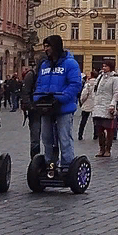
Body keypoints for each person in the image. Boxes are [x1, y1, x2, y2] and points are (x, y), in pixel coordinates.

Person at [32, 34, 82, 173]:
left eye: (48, 46)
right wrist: (38, 99)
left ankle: (67, 167)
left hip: (63, 107)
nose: (45, 49)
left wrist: (61, 98)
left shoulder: (70, 63)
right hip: (46, 107)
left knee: (64, 138)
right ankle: (50, 165)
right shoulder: (44, 64)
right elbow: (40, 84)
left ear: (55, 47)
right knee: (47, 138)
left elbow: (75, 84)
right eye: (44, 46)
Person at [92, 59, 118, 158]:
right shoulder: (100, 77)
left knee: (109, 129)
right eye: (103, 66)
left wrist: (112, 104)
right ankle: (101, 149)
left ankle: (108, 149)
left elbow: (116, 93)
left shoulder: (115, 78)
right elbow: (95, 90)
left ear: (111, 67)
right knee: (99, 129)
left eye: (106, 66)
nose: (104, 68)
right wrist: (94, 100)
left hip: (108, 106)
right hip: (98, 106)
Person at [20, 64, 41, 160]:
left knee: (51, 139)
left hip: (49, 111)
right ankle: (35, 161)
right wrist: (30, 106)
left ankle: (51, 162)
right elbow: (25, 92)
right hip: (35, 112)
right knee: (35, 139)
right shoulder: (32, 74)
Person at [77, 75, 96, 140]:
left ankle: (80, 134)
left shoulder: (88, 84)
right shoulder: (98, 83)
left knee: (83, 120)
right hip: (95, 104)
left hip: (87, 103)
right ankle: (95, 135)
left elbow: (84, 94)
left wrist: (82, 101)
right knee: (95, 121)